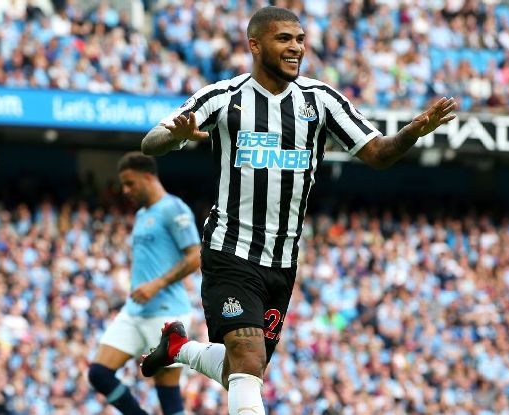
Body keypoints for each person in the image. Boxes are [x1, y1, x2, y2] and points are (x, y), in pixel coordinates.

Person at [138, 6, 456, 415]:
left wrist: (413, 131)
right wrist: (175, 136)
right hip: (230, 250)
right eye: (284, 39)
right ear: (255, 44)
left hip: (283, 261)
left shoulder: (320, 100)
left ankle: (179, 347)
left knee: (243, 368)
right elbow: (150, 141)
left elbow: (377, 153)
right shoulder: (225, 97)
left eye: (300, 39)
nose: (296, 48)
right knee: (248, 359)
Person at [88, 152, 201, 415]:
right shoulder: (142, 214)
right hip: (134, 311)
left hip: (166, 314)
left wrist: (157, 284)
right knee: (99, 373)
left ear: (148, 177)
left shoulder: (174, 208)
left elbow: (196, 255)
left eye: (130, 183)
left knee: (168, 395)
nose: (125, 190)